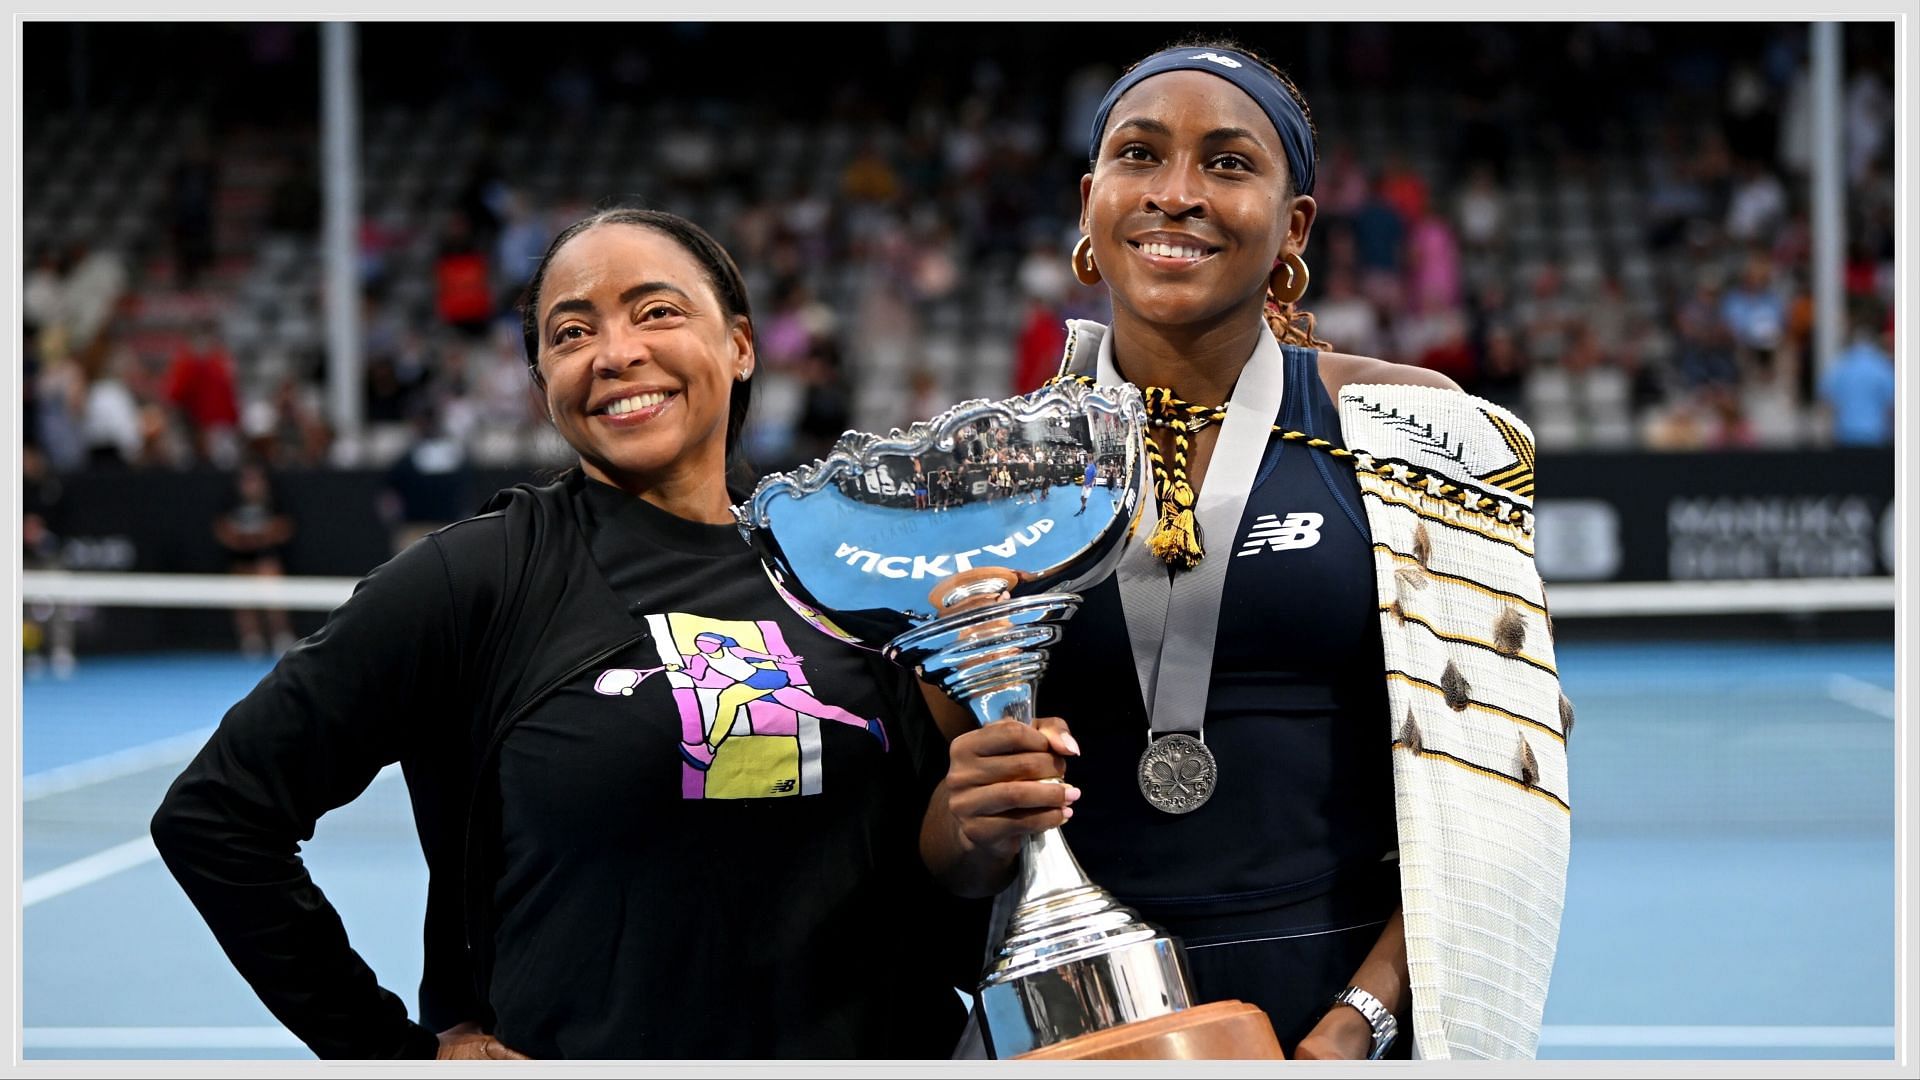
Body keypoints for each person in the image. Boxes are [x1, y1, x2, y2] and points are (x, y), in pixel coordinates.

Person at [151, 208, 980, 1060]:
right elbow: (218, 815)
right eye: (571, 332)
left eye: (657, 312)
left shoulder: (854, 567)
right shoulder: (476, 580)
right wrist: (390, 1055)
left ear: (740, 346)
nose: (616, 353)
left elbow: (940, 881)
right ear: (544, 378)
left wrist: (979, 824)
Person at [917, 40, 1571, 1061]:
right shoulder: (987, 469)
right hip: (1077, 1022)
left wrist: (1359, 1026)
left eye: (1227, 163)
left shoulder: (1412, 426)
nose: (1176, 194)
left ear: (1293, 222)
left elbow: (1504, 783)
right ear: (1091, 204)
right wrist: (972, 821)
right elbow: (943, 852)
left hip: (1344, 1020)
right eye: (1140, 156)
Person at [212, 459, 298, 658]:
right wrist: (241, 540)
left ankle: (281, 636)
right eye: (247, 480)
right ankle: (252, 641)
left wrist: (261, 537)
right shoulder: (230, 500)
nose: (251, 484)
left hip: (266, 558)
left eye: (255, 480)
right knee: (242, 596)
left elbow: (285, 527)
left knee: (272, 589)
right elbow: (221, 529)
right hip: (240, 560)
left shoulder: (275, 500)